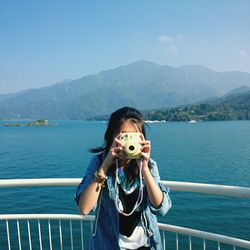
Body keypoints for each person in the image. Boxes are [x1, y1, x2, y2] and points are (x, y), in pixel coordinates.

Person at [75, 107, 171, 250]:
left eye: (134, 137)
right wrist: (106, 164)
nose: (129, 143)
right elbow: (84, 208)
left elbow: (161, 209)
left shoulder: (149, 166)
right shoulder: (99, 163)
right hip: (109, 245)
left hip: (146, 245)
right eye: (124, 137)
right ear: (112, 137)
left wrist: (145, 169)